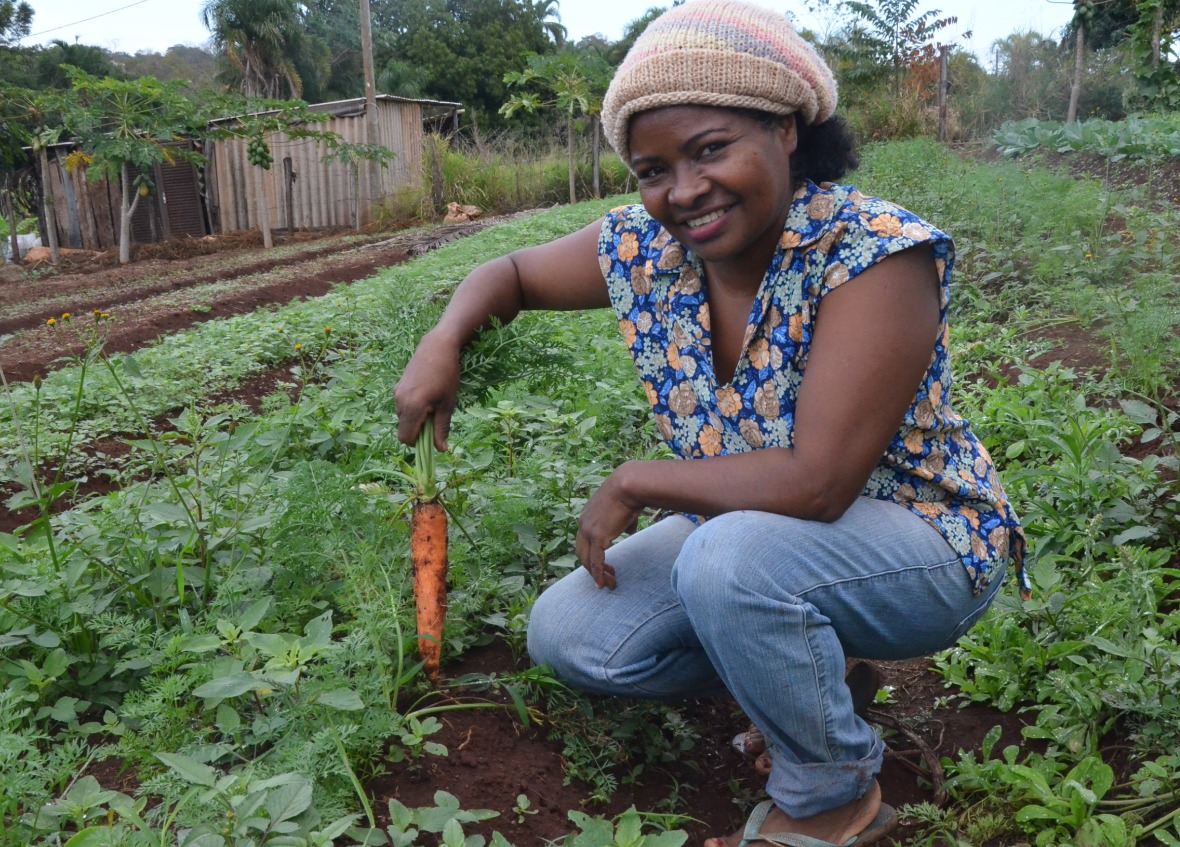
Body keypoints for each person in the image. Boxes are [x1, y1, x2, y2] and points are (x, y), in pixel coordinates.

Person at [394, 1, 1028, 843]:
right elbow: (507, 272)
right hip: (766, 543)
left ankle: (833, 793)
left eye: (710, 149)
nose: (684, 191)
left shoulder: (873, 253)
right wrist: (445, 338)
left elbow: (817, 482)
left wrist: (637, 478)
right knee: (573, 633)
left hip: (924, 542)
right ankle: (815, 672)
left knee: (725, 557)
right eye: (653, 169)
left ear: (786, 130)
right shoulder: (648, 249)